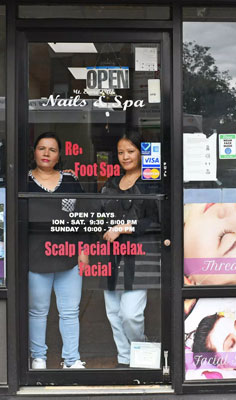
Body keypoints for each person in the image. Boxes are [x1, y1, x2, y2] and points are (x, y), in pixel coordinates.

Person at [98, 131, 158, 367]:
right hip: (111, 255)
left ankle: (141, 349)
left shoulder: (151, 183)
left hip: (140, 256)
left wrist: (124, 227)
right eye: (121, 152)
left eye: (131, 151)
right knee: (113, 313)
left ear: (142, 153)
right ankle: (125, 359)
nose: (125, 157)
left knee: (131, 314)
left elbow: (157, 221)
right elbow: (100, 217)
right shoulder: (110, 184)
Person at [27, 132, 86, 370]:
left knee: (70, 312)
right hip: (34, 256)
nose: (46, 153)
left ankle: (72, 360)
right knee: (38, 311)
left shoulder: (70, 181)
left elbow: (83, 217)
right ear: (34, 152)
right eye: (42, 148)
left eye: (52, 149)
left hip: (68, 257)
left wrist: (84, 251)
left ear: (59, 155)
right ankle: (38, 357)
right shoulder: (24, 181)